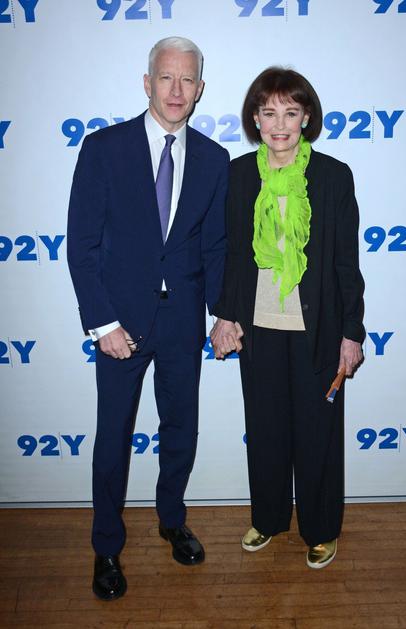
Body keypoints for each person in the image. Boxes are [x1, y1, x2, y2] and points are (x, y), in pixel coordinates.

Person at [67, 36, 229, 600]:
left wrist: (224, 313)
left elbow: (215, 247)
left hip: (183, 323)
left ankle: (171, 519)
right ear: (147, 83)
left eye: (187, 80)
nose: (176, 90)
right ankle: (106, 546)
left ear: (200, 89)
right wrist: (102, 323)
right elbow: (81, 245)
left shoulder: (213, 159)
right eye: (166, 77)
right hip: (119, 326)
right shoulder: (103, 149)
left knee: (180, 428)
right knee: (114, 436)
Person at [211, 67, 364, 569]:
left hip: (317, 331)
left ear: (306, 118)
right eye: (269, 112)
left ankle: (321, 529)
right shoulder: (238, 174)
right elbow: (233, 255)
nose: (280, 124)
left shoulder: (333, 176)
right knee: (266, 430)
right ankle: (269, 517)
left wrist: (351, 333)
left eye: (290, 113)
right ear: (255, 118)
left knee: (318, 435)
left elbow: (346, 264)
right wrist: (225, 316)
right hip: (258, 328)